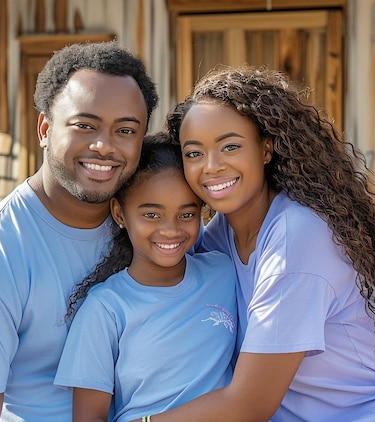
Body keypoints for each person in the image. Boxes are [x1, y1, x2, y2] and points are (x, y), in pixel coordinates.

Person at [135, 66, 375, 421]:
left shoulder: (295, 237)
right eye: (194, 153)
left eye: (230, 146)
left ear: (266, 149)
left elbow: (247, 405)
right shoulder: (221, 234)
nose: (211, 166)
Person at [0, 41, 159, 422]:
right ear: (45, 128)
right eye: (85, 125)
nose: (104, 146)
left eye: (125, 130)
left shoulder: (155, 229)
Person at [54, 133, 238, 422]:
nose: (171, 230)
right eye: (152, 215)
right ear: (119, 213)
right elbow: (89, 417)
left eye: (186, 215)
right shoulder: (105, 308)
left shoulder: (224, 273)